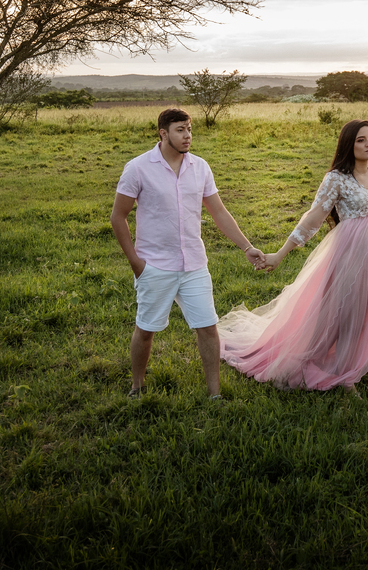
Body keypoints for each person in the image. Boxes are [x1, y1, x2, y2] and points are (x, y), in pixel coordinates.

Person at [218, 119, 368, 405]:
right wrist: (280, 253)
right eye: (361, 140)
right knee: (350, 323)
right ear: (349, 144)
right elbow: (313, 218)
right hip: (352, 259)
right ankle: (347, 380)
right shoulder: (336, 178)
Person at [111, 108, 266, 398]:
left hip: (194, 263)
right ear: (163, 134)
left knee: (208, 327)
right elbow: (118, 216)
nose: (188, 136)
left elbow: (218, 211)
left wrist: (247, 246)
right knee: (146, 329)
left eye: (190, 129)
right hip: (155, 265)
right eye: (180, 130)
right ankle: (137, 387)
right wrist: (136, 263)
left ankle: (214, 394)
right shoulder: (138, 168)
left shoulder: (200, 167)